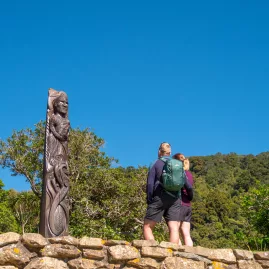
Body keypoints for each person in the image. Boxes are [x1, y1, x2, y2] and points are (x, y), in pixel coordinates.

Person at [143, 143, 192, 243]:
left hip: (159, 197)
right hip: (175, 199)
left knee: (147, 226)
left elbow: (150, 183)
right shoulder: (178, 164)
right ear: (170, 153)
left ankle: (153, 250)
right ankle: (172, 253)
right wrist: (190, 196)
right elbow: (187, 185)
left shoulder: (155, 163)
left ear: (159, 151)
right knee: (174, 228)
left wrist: (149, 199)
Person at [173, 153, 194, 246]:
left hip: (180, 203)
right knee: (186, 233)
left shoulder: (180, 173)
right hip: (188, 205)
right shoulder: (189, 174)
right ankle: (190, 254)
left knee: (175, 229)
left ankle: (179, 254)